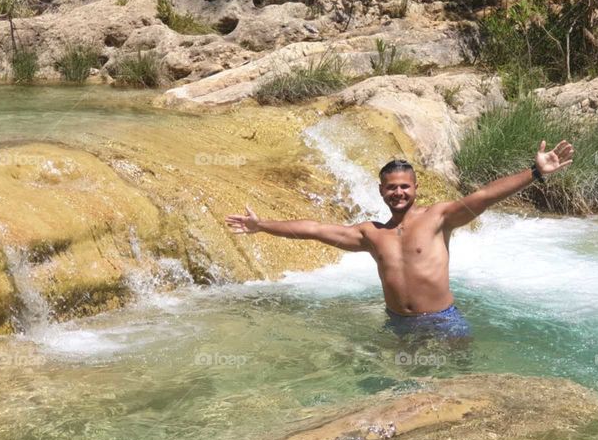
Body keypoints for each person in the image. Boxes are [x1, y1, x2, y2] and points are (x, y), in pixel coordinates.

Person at [225, 140, 574, 338]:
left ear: (416, 188)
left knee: (461, 386)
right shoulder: (371, 233)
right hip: (399, 324)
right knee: (404, 393)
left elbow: (484, 196)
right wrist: (263, 225)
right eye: (391, 188)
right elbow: (315, 230)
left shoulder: (439, 218)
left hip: (444, 320)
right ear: (381, 191)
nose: (399, 193)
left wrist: (534, 173)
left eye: (405, 186)